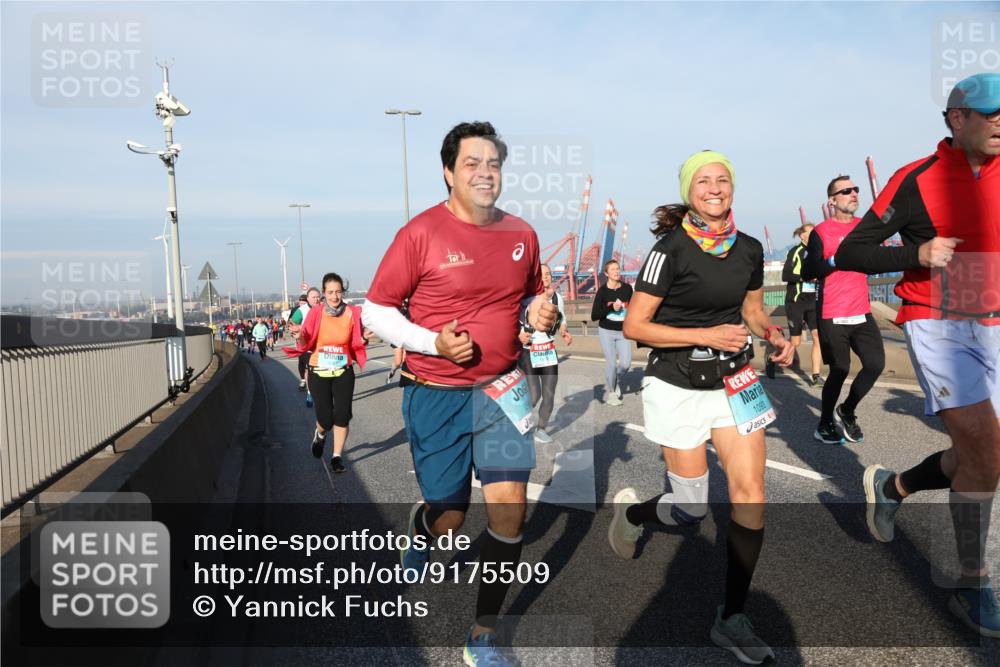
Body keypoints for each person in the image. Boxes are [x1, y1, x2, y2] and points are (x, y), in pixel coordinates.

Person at [362, 121, 557, 666]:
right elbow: (375, 309)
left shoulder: (522, 234)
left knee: (509, 513)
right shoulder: (420, 233)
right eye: (472, 163)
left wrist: (541, 313)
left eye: (493, 163)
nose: (484, 172)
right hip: (436, 391)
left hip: (502, 392)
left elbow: (532, 300)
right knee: (451, 516)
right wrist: (431, 343)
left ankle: (483, 635)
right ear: (448, 172)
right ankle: (424, 528)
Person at [609, 150, 794, 664]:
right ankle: (636, 514)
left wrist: (774, 332)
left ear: (732, 187)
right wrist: (704, 333)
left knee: (751, 496)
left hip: (735, 382)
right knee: (690, 508)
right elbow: (635, 327)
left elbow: (754, 310)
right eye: (704, 181)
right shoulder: (669, 250)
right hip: (676, 385)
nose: (715, 188)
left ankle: (731, 617)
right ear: (690, 190)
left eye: (723, 180)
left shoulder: (751, 248)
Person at [836, 72, 1000, 637]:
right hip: (939, 322)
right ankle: (971, 584)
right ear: (958, 119)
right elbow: (854, 252)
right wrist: (917, 250)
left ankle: (894, 486)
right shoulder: (917, 179)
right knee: (981, 446)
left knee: (986, 457)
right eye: (991, 111)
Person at [801, 175, 885, 445]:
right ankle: (824, 422)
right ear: (832, 200)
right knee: (840, 369)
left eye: (855, 189)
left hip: (861, 310)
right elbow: (809, 270)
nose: (853, 194)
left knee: (875, 364)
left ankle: (846, 411)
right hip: (832, 312)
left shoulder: (864, 228)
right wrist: (836, 259)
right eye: (846, 191)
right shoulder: (821, 232)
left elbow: (874, 260)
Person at [286, 272, 370, 471]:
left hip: (343, 370)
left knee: (342, 415)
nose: (335, 296)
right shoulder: (316, 313)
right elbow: (307, 341)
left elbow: (356, 341)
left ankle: (337, 456)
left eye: (338, 292)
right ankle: (321, 434)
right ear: (324, 293)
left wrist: (365, 338)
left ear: (343, 292)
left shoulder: (352, 312)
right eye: (330, 292)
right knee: (325, 419)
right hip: (318, 370)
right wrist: (299, 335)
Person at [517, 263, 573, 444]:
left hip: (548, 350)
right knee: (534, 395)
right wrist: (519, 335)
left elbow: (562, 318)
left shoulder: (557, 297)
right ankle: (517, 421)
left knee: (549, 395)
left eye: (548, 274)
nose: (546, 277)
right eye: (542, 275)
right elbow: (513, 321)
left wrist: (564, 330)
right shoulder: (526, 298)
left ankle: (540, 429)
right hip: (528, 351)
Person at [767, 224, 824, 386]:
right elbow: (786, 275)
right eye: (811, 232)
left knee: (817, 337)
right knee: (796, 342)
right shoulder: (796, 252)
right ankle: (772, 359)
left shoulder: (817, 252)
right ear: (802, 236)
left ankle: (815, 376)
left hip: (813, 301)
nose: (814, 235)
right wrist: (806, 277)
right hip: (796, 302)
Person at [590, 259, 633, 405]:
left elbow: (632, 309)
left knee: (626, 364)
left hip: (623, 332)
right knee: (612, 364)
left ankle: (615, 379)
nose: (616, 272)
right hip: (606, 332)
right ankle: (612, 392)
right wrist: (610, 308)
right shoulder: (602, 292)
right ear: (606, 273)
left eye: (617, 269)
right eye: (613, 269)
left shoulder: (627, 288)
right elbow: (594, 316)